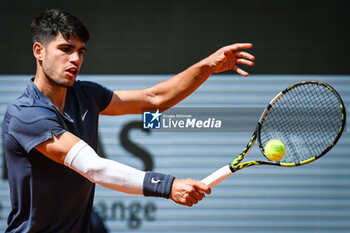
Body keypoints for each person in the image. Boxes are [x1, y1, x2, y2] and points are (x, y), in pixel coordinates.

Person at [1, 9, 255, 233]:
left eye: (81, 51)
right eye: (66, 49)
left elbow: (155, 99)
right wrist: (168, 186)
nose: (76, 59)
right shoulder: (26, 114)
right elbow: (93, 167)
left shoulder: (86, 94)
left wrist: (208, 66)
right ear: (39, 52)